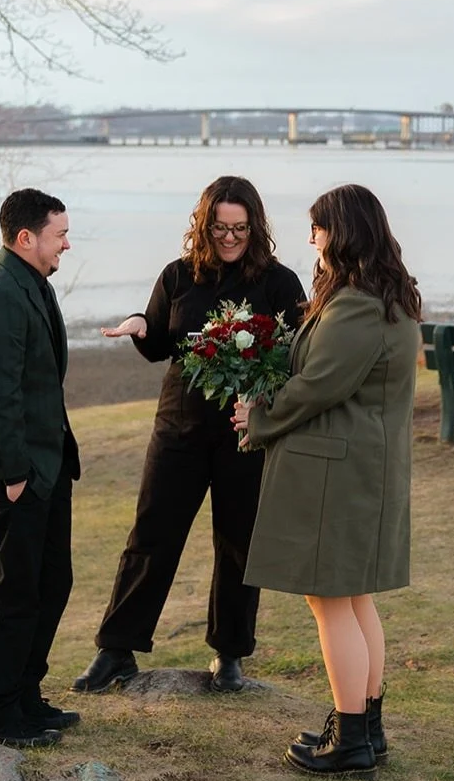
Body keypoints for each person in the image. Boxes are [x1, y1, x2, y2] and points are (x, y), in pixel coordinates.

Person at [73, 176, 304, 696]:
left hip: (245, 432)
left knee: (238, 543)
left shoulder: (280, 282)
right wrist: (139, 325)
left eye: (240, 228)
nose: (229, 238)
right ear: (204, 225)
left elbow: (298, 355)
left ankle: (230, 654)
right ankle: (116, 650)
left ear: (255, 227)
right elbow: (158, 341)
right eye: (220, 228)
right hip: (178, 427)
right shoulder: (178, 276)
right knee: (152, 536)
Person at [233, 183, 420, 779]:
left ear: (341, 232)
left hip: (338, 470)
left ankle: (351, 742)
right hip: (358, 464)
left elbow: (320, 385)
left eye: (316, 228)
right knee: (353, 595)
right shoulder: (381, 297)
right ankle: (363, 725)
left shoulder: (358, 305)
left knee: (329, 597)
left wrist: (258, 417)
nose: (310, 237)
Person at [0, 188, 81, 748]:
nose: (67, 245)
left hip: (41, 464)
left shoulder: (31, 283)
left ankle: (27, 694)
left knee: (52, 581)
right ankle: (0, 713)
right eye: (60, 235)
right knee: (16, 592)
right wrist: (13, 476)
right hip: (5, 471)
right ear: (26, 238)